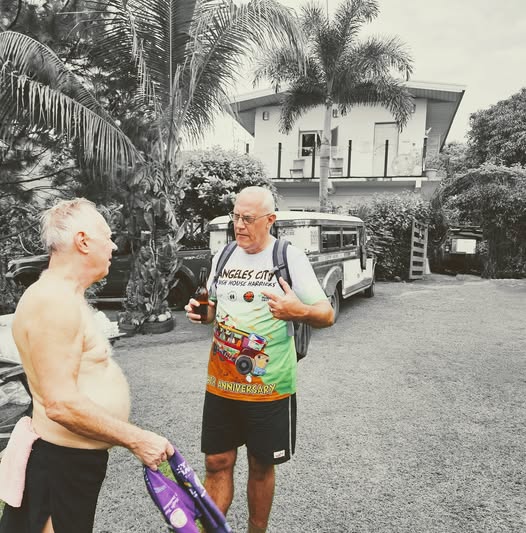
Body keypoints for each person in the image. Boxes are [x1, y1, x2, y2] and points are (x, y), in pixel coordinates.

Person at [0, 198, 174, 533]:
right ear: (83, 241)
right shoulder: (54, 301)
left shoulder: (65, 296)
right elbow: (61, 404)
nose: (113, 246)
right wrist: (137, 439)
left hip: (71, 462)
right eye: (107, 237)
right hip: (59, 464)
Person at [185, 186, 334, 533]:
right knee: (216, 461)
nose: (239, 225)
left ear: (270, 220)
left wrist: (298, 310)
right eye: (235, 216)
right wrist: (203, 313)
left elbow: (326, 314)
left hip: (269, 387)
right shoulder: (223, 255)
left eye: (248, 219)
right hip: (221, 384)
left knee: (261, 465)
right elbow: (214, 308)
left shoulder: (288, 257)